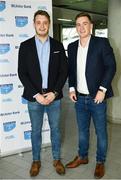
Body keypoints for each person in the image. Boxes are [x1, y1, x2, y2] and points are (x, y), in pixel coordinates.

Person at [65, 12, 116, 179]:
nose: (81, 27)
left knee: (101, 132)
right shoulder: (72, 47)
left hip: (97, 98)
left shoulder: (101, 43)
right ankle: (83, 157)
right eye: (78, 24)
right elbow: (71, 71)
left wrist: (103, 89)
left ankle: (100, 161)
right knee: (82, 131)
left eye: (84, 23)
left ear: (91, 26)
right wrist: (72, 88)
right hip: (79, 98)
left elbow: (111, 67)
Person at [18, 10, 68, 177]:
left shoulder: (58, 46)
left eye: (45, 22)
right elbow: (22, 73)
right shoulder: (25, 46)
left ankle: (56, 159)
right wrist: (36, 95)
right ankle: (36, 160)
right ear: (34, 24)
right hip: (34, 98)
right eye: (38, 22)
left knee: (55, 129)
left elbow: (63, 72)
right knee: (35, 131)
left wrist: (54, 93)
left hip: (54, 97)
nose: (42, 25)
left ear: (49, 24)